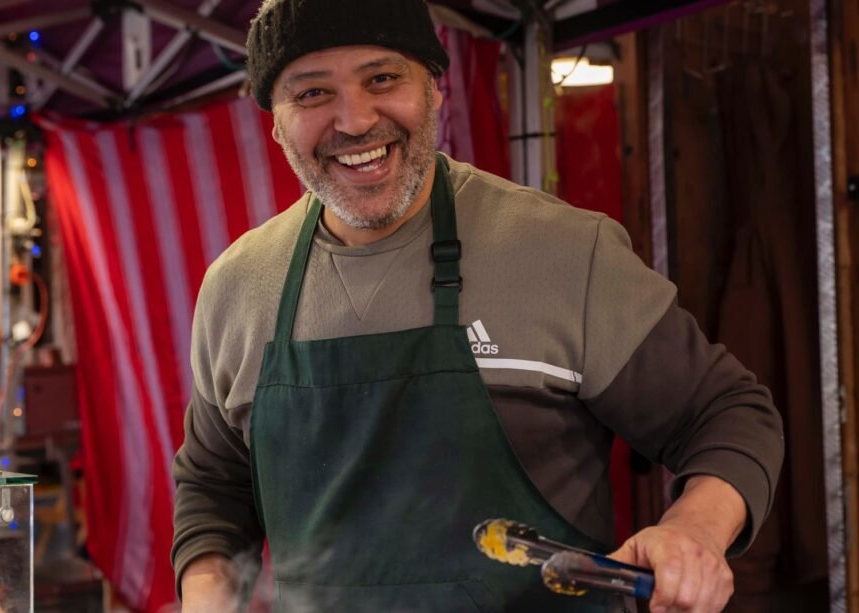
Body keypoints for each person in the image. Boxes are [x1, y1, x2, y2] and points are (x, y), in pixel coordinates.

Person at [171, 0, 784, 611]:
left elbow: (727, 413)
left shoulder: (563, 252)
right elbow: (212, 486)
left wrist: (694, 531)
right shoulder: (238, 288)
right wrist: (207, 597)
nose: (355, 120)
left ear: (435, 89)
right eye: (310, 93)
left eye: (382, 78)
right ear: (275, 123)